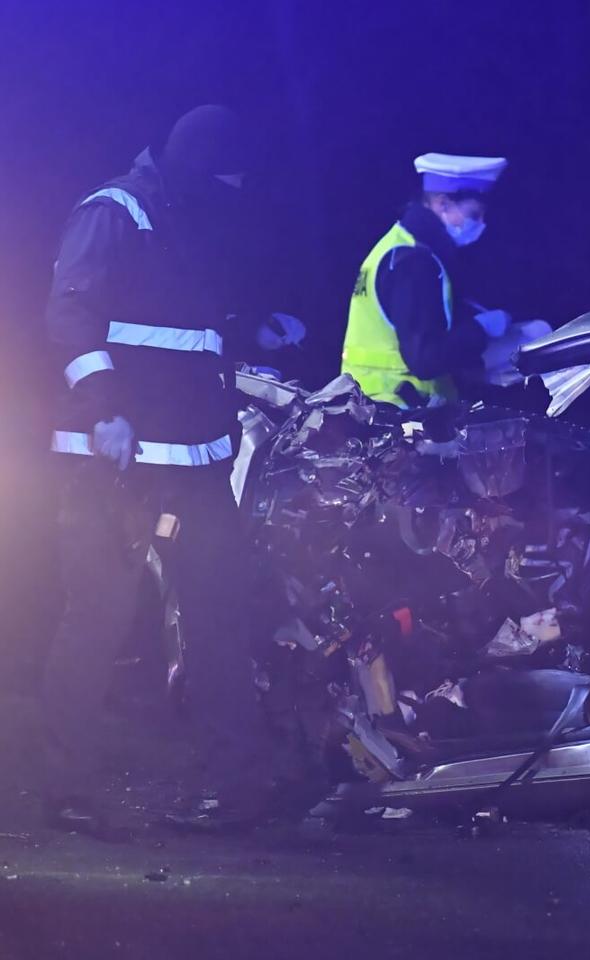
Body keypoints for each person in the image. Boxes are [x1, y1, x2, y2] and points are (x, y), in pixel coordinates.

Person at [44, 105, 303, 836]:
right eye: (228, 179)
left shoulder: (193, 215)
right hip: (115, 467)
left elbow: (189, 326)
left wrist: (254, 330)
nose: (236, 192)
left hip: (195, 463)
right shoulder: (114, 211)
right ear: (198, 167)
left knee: (220, 620)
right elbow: (69, 315)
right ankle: (68, 791)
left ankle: (239, 790)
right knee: (96, 619)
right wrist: (103, 409)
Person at [342, 152, 524, 407]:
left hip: (373, 404)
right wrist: (481, 329)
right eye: (474, 214)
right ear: (443, 204)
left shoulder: (399, 245)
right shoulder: (414, 261)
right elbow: (425, 360)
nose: (481, 224)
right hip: (396, 409)